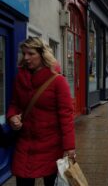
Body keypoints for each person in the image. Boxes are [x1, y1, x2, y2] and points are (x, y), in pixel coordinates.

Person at [6, 37, 75, 186]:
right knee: (23, 180)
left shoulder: (58, 81)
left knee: (51, 182)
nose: (26, 58)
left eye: (31, 54)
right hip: (25, 143)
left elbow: (66, 116)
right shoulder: (20, 78)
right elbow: (15, 104)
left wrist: (69, 147)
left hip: (50, 145)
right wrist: (12, 116)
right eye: (24, 53)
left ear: (42, 55)